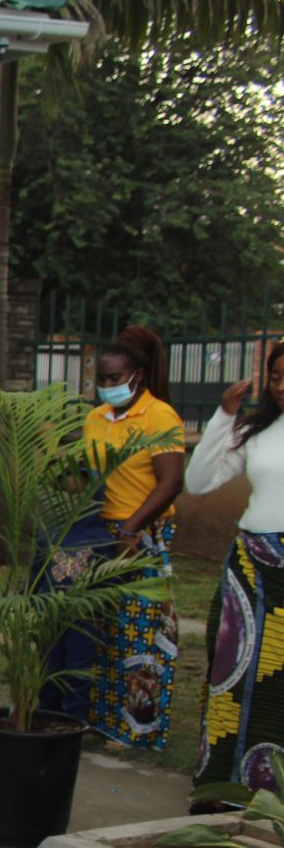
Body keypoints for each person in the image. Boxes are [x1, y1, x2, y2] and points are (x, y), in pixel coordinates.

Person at [71, 327, 186, 749]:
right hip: (95, 534)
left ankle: (136, 728)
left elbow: (171, 483)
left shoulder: (160, 417)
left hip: (139, 536)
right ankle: (92, 720)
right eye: (101, 379)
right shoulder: (95, 418)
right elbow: (86, 476)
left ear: (137, 375)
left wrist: (131, 527)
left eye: (114, 379)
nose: (106, 387)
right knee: (89, 626)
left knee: (137, 630)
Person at [186, 340, 284, 794]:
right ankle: (227, 787)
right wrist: (225, 416)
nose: (282, 386)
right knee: (236, 673)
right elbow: (199, 481)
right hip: (253, 570)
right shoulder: (257, 430)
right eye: (278, 377)